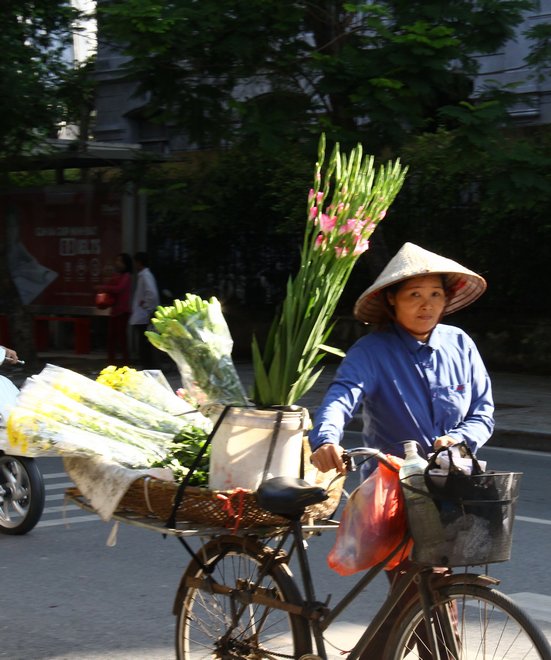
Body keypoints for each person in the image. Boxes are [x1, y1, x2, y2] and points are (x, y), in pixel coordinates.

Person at [309, 241, 494, 658]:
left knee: (417, 597)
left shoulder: (459, 344)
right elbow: (342, 396)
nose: (427, 305)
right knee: (424, 593)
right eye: (414, 295)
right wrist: (326, 438)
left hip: (454, 488)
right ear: (392, 301)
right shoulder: (371, 351)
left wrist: (461, 438)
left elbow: (483, 412)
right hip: (395, 492)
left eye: (435, 295)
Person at [95, 253, 133, 365]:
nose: (117, 263)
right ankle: (112, 362)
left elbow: (118, 289)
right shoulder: (119, 276)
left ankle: (125, 362)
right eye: (117, 261)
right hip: (115, 311)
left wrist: (103, 287)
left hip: (122, 311)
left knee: (121, 338)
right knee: (111, 337)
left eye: (120, 261)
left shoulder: (127, 276)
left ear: (126, 264)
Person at [129, 252, 160, 369]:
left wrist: (146, 305)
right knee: (145, 343)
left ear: (139, 262)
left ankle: (148, 366)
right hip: (144, 314)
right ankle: (148, 366)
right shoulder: (145, 275)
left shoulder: (145, 276)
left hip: (144, 315)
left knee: (144, 344)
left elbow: (152, 294)